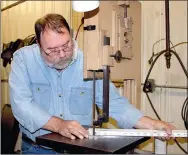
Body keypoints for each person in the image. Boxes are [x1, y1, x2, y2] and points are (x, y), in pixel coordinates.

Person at [9, 13, 175, 154]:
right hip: (37, 149)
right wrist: (58, 125)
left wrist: (152, 124)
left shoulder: (89, 61)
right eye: (52, 50)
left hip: (78, 149)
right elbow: (21, 105)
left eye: (66, 45)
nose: (62, 54)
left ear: (71, 35)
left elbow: (116, 104)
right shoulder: (23, 59)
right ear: (38, 44)